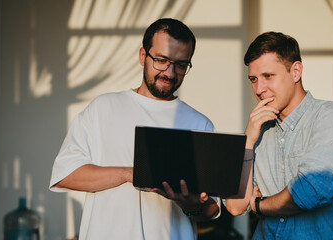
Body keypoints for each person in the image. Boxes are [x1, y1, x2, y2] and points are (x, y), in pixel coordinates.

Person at [49, 18, 220, 239]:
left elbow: (212, 209)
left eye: (181, 65)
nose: (169, 73)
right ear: (143, 56)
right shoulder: (103, 108)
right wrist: (131, 173)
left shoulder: (200, 124)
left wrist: (190, 204)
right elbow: (66, 175)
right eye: (161, 60)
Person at [225, 32, 333, 239]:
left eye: (268, 76)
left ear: (296, 71)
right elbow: (235, 207)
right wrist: (248, 141)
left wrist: (258, 205)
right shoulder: (258, 130)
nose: (259, 89)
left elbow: (309, 192)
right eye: (253, 79)